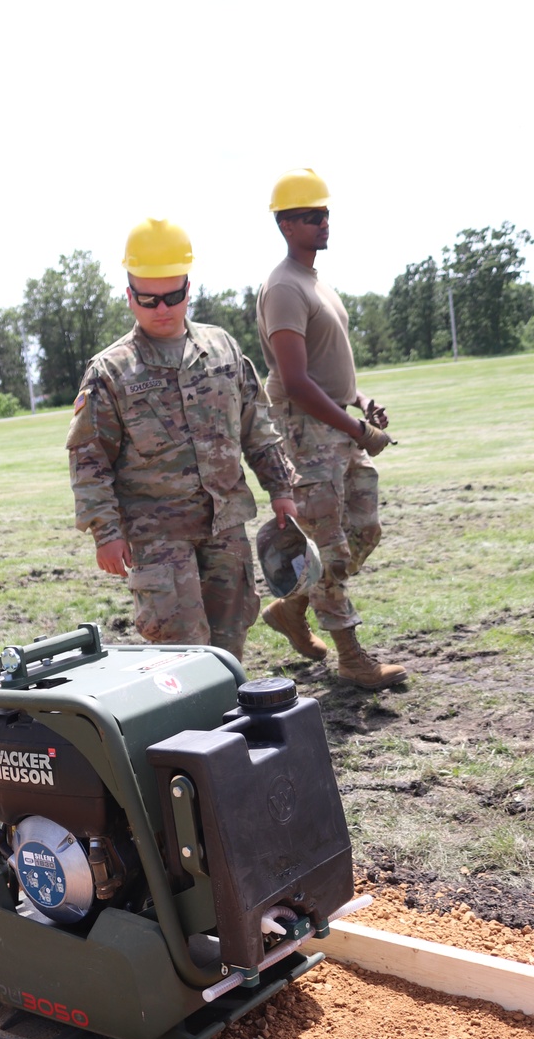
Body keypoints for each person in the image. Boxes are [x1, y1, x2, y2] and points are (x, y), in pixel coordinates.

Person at [66, 218, 297, 665]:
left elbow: (257, 427)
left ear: (189, 289)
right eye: (148, 299)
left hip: (226, 524)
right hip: (158, 538)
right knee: (183, 647)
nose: (162, 308)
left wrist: (281, 489)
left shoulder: (223, 350)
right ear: (129, 296)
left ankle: (228, 724)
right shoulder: (111, 371)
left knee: (230, 641)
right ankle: (193, 729)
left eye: (173, 296)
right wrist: (105, 532)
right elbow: (89, 459)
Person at [256, 168, 407, 689]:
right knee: (328, 549)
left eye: (324, 213)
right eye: (310, 216)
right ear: (285, 226)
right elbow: (295, 382)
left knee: (366, 530)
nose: (323, 223)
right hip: (309, 435)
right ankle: (352, 658)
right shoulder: (282, 288)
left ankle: (291, 608)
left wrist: (362, 403)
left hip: (339, 427)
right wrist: (358, 429)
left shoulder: (315, 282)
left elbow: (327, 370)